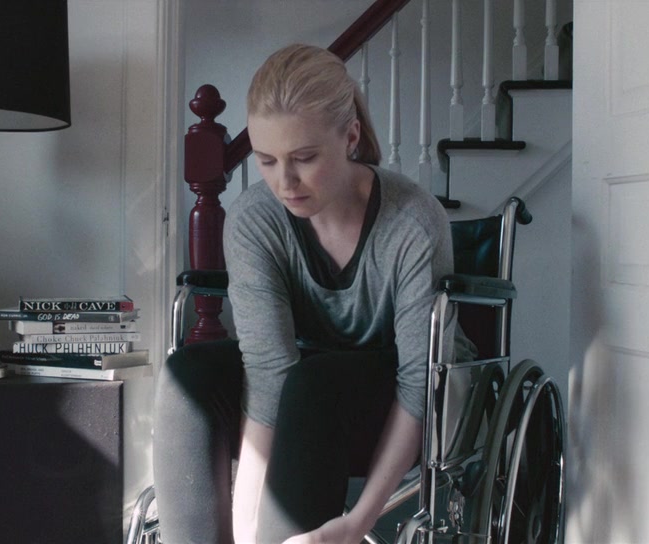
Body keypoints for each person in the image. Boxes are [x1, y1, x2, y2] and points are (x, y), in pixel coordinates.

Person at [153, 43, 474, 544]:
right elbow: (268, 373)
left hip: (406, 392)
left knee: (314, 383)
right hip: (305, 386)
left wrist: (355, 524)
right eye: (266, 160)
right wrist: (244, 529)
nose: (285, 182)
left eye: (304, 158)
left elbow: (419, 386)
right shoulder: (255, 220)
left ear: (350, 137)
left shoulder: (412, 221)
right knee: (188, 372)